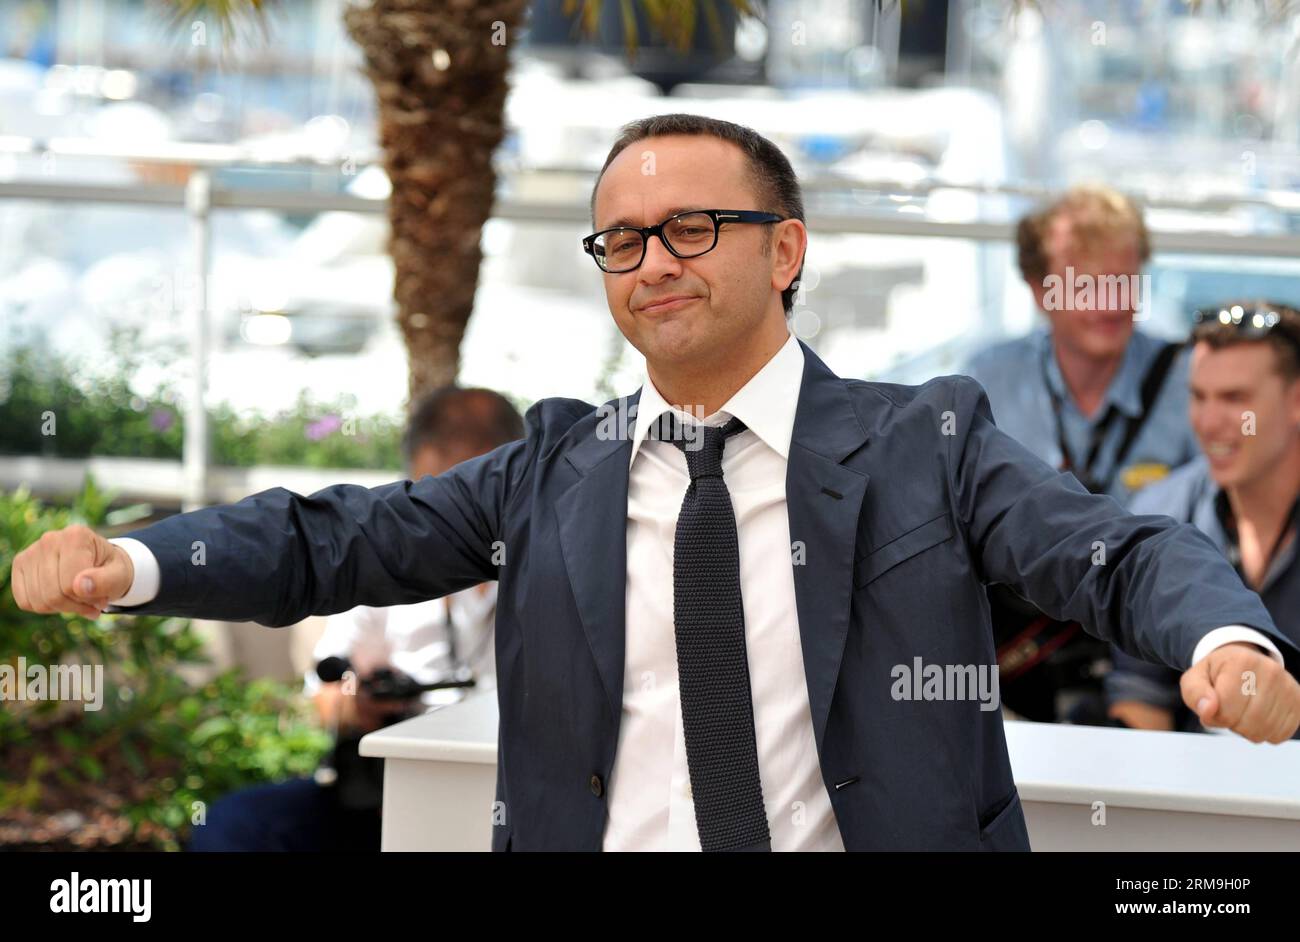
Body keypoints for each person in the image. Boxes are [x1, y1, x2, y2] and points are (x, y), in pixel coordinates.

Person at [12, 115, 1300, 853]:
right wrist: (130, 563)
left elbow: (1114, 552)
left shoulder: (926, 441)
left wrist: (1223, 635)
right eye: (622, 238)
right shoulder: (552, 467)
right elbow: (336, 540)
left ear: (785, 250)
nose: (652, 260)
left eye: (694, 227)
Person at [188, 386, 522, 851]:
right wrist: (357, 702)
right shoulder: (392, 560)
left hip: (510, 802)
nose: (447, 523)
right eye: (433, 500)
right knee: (231, 826)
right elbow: (325, 694)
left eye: (467, 503)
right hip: (388, 791)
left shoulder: (555, 566)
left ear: (512, 479)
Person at [961, 185, 1200, 724]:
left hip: (1156, 650)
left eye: (1125, 281)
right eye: (1087, 284)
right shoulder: (987, 378)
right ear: (1038, 288)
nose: (1111, 302)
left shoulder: (1195, 382)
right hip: (1016, 663)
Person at [1106, 303, 1300, 733]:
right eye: (1198, 397)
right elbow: (1140, 703)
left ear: (1296, 401)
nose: (1209, 423)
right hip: (1193, 791)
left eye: (1235, 399)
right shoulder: (1156, 513)